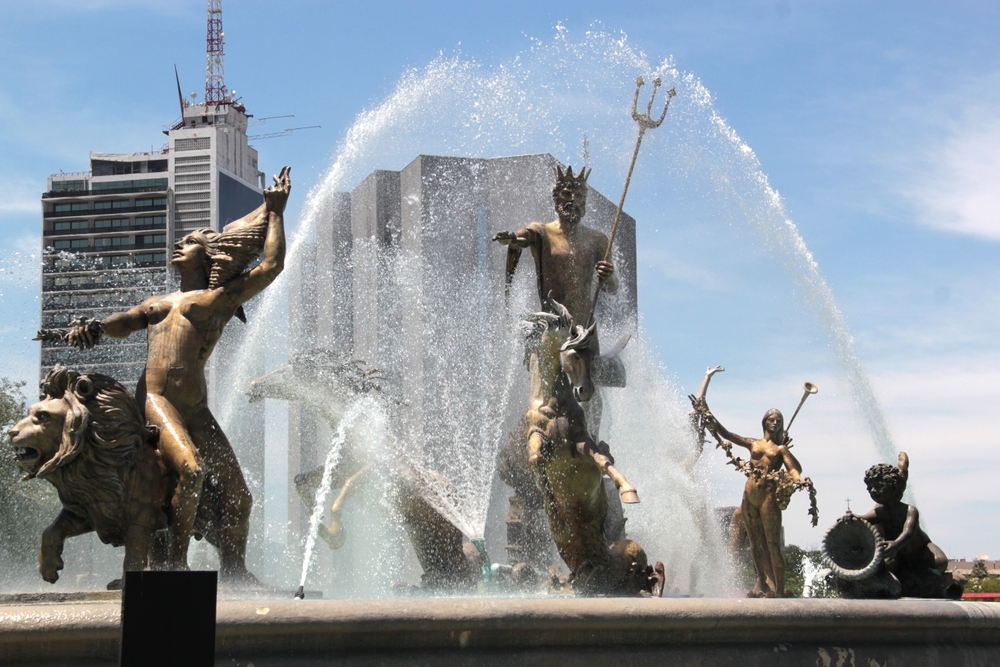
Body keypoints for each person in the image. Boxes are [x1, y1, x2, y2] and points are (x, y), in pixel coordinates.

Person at [64, 167, 291, 583]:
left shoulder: (219, 298)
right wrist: (95, 326)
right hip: (156, 400)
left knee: (240, 497)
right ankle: (173, 565)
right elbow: (123, 322)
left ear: (208, 254)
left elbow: (271, 266)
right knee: (192, 471)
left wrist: (275, 212)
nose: (177, 244)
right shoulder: (157, 303)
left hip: (195, 407)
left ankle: (236, 571)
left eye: (188, 243)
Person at [703, 408, 803, 597]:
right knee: (755, 542)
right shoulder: (753, 444)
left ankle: (780, 589)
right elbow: (729, 435)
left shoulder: (781, 449)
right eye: (772, 420)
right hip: (749, 495)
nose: (775, 423)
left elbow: (793, 470)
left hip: (768, 497)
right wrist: (709, 415)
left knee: (772, 544)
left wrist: (799, 480)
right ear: (764, 422)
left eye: (779, 421)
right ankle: (762, 582)